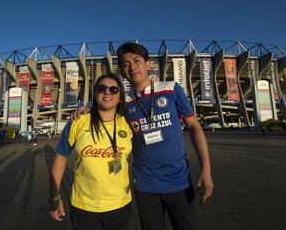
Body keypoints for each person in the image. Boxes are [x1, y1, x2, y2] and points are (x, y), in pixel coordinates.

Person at [72, 42, 214, 230]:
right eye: (125, 64)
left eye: (136, 61)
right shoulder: (125, 103)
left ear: (148, 64)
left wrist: (206, 168)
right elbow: (105, 105)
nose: (131, 67)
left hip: (179, 181)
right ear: (122, 72)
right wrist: (87, 107)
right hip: (145, 186)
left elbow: (194, 126)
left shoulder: (171, 89)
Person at [49, 74, 133, 230]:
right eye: (102, 88)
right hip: (84, 207)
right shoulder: (78, 121)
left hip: (120, 204)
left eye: (114, 89)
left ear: (120, 97)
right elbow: (60, 158)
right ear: (95, 94)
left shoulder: (128, 123)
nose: (107, 92)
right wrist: (54, 197)